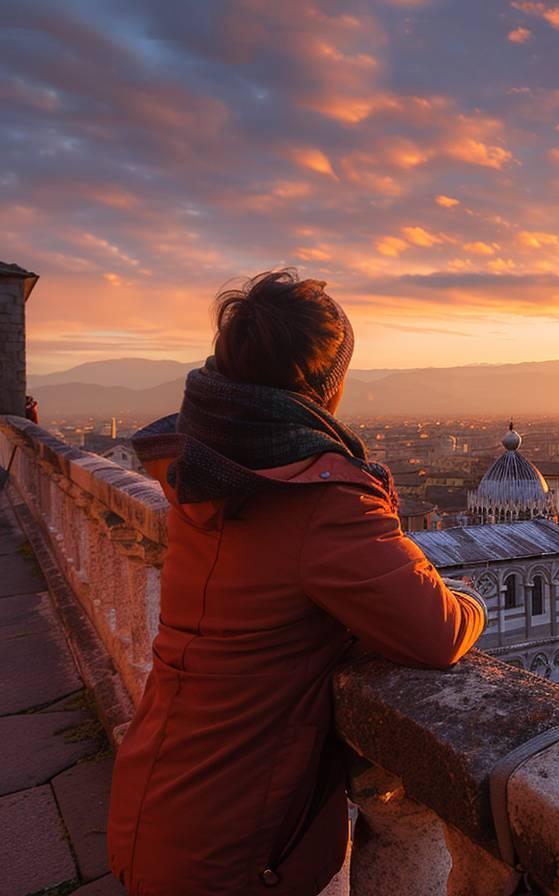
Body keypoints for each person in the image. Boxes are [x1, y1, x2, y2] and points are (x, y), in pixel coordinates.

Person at [107, 271, 486, 895]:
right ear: (326, 389)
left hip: (157, 798)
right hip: (237, 840)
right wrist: (471, 598)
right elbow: (437, 631)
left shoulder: (199, 470)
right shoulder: (321, 499)